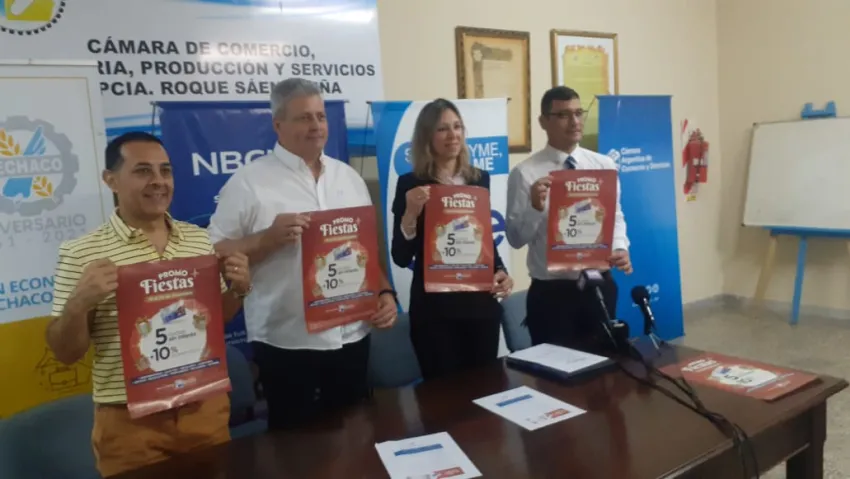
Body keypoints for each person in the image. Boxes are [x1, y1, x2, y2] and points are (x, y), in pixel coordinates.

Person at [45, 131, 253, 477]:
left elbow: (214, 322)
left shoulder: (199, 240)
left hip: (203, 409)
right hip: (131, 425)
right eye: (143, 171)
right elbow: (65, 353)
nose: (158, 181)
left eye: (165, 171)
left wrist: (239, 290)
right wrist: (79, 304)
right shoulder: (82, 253)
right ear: (111, 180)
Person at [208, 78, 398, 431]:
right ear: (278, 124)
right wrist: (266, 239)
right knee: (295, 446)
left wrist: (384, 291)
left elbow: (365, 250)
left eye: (320, 116)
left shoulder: (348, 178)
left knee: (355, 434)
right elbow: (212, 253)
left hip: (352, 334)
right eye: (303, 118)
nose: (316, 126)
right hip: (288, 342)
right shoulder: (248, 183)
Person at [391, 98, 514, 381]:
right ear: (427, 137)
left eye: (457, 127)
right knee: (443, 397)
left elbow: (482, 238)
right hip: (434, 314)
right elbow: (400, 256)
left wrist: (500, 271)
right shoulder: (410, 183)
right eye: (442, 129)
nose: (453, 135)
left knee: (485, 389)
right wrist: (410, 213)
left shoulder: (479, 179)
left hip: (480, 308)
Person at [505, 86, 631, 353]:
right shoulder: (525, 173)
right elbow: (515, 239)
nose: (574, 122)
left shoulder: (603, 165)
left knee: (605, 368)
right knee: (556, 372)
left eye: (578, 113)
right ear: (543, 122)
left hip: (598, 284)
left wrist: (620, 247)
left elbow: (616, 216)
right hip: (553, 295)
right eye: (563, 115)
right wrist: (535, 208)